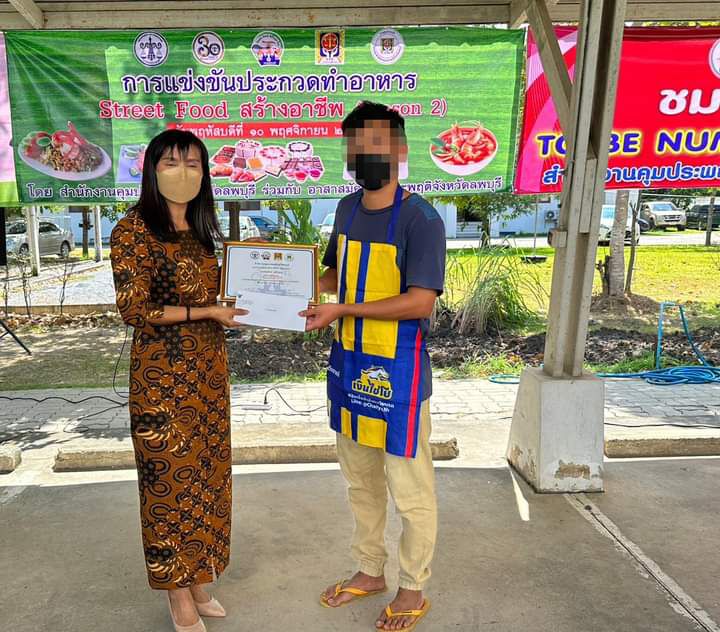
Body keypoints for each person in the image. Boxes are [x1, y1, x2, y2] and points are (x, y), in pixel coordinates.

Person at [301, 102, 446, 631]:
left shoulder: (421, 219)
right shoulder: (345, 209)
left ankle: (412, 585)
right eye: (357, 145)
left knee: (410, 488)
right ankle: (369, 570)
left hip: (399, 376)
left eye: (378, 143)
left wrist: (342, 309)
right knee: (360, 482)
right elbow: (333, 275)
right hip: (349, 366)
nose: (367, 154)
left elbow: (420, 300)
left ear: (400, 149)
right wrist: (277, 278)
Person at [110, 129, 247, 632]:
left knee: (207, 478)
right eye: (171, 162)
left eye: (193, 163)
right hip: (161, 380)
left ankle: (197, 577)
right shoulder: (132, 230)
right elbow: (135, 309)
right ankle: (176, 593)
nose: (183, 172)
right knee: (168, 484)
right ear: (152, 170)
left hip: (208, 375)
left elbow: (216, 295)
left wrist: (242, 291)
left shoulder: (202, 229)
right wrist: (205, 310)